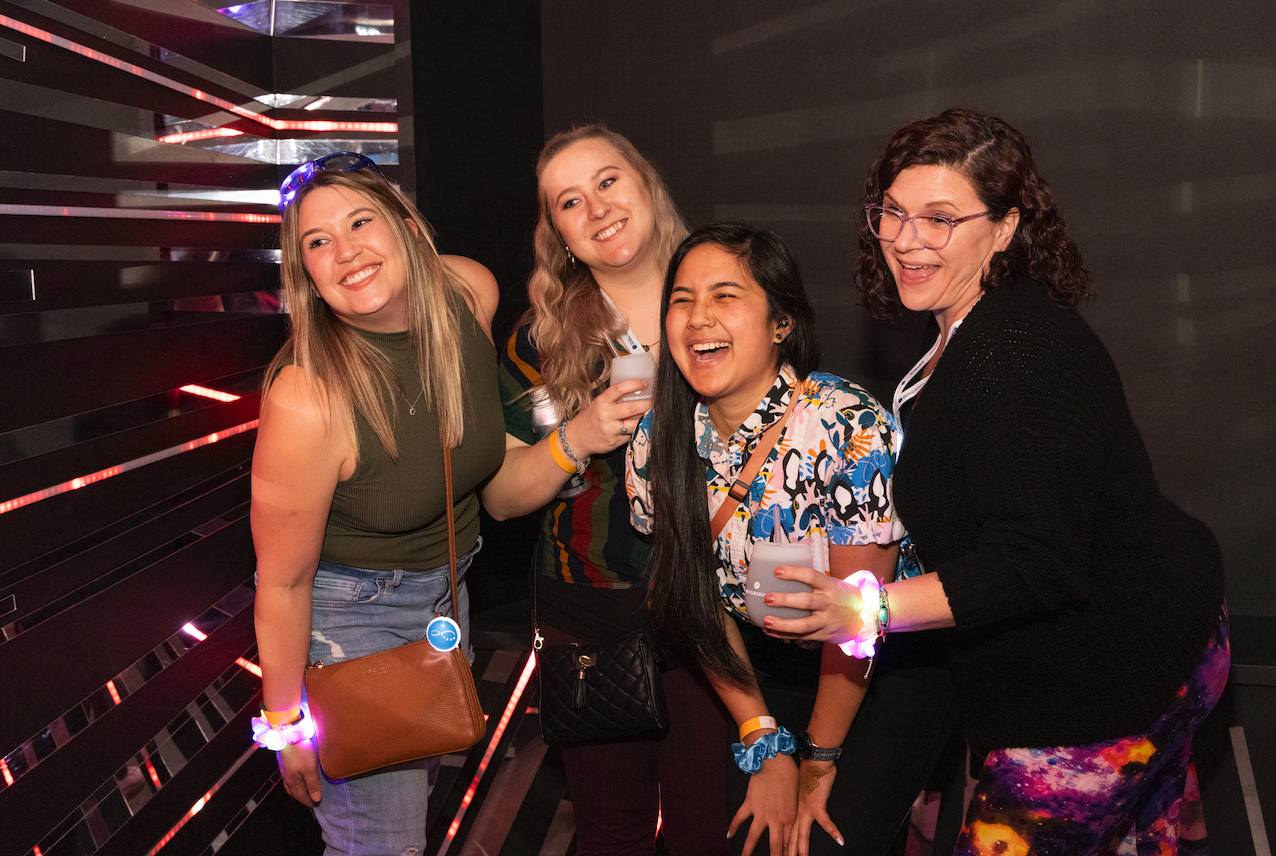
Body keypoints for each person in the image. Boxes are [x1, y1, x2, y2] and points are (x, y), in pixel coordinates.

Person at [766, 109, 1230, 855]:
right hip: (1149, 633)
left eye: (941, 218)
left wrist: (865, 609)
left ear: (1007, 227)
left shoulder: (1014, 351)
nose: (907, 239)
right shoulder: (965, 324)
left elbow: (1035, 564)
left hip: (1111, 684)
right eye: (893, 212)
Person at [480, 125, 732, 856]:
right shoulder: (542, 343)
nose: (596, 207)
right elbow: (499, 497)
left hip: (717, 611)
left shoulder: (726, 302)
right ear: (557, 232)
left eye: (609, 181)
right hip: (590, 610)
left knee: (706, 831)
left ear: (647, 183)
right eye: (569, 201)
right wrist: (578, 436)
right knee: (610, 833)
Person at [626, 223, 909, 856]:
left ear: (780, 323)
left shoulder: (848, 427)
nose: (698, 318)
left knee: (825, 840)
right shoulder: (657, 438)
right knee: (749, 837)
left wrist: (816, 758)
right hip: (751, 666)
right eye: (681, 298)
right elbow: (694, 597)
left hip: (880, 672)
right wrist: (762, 738)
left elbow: (860, 622)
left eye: (725, 296)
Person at [251, 152, 505, 856]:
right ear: (305, 273)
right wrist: (286, 720)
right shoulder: (307, 398)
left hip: (447, 596)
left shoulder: (469, 294)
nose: (347, 252)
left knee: (406, 818)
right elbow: (282, 578)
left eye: (361, 221)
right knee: (382, 847)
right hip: (352, 621)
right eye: (318, 242)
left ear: (406, 226)